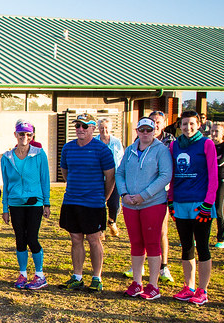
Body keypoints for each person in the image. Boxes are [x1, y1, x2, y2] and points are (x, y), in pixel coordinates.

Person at [115, 117, 173, 300]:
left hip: (152, 203)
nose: (146, 133)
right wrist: (124, 194)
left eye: (149, 130)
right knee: (136, 242)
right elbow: (120, 172)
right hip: (130, 204)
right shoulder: (131, 150)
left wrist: (144, 195)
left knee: (152, 242)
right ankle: (137, 282)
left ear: (155, 131)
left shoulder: (161, 150)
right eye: (142, 130)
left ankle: (153, 285)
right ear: (137, 131)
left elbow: (165, 176)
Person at [58, 113, 116, 291]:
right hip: (72, 201)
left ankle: (97, 277)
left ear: (93, 128)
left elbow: (110, 177)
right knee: (75, 239)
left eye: (84, 126)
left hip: (93, 203)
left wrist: (102, 198)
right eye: (77, 126)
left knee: (93, 239)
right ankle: (77, 276)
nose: (80, 129)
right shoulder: (68, 148)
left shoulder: (102, 149)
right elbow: (65, 172)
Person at [167, 110, 219, 305]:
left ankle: (202, 289)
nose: (187, 128)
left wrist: (208, 203)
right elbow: (171, 175)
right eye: (184, 124)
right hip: (180, 203)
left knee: (203, 247)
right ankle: (188, 286)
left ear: (198, 125)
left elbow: (214, 177)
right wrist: (170, 200)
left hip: (200, 204)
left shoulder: (206, 144)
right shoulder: (174, 145)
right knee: (186, 246)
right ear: (179, 126)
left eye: (191, 124)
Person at [0, 120, 51, 290]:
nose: (25, 137)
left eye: (28, 134)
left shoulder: (39, 154)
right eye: (21, 134)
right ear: (15, 135)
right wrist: (5, 208)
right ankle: (23, 273)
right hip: (15, 203)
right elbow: (5, 184)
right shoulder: (7, 157)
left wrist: (47, 203)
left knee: (32, 238)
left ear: (32, 136)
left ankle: (39, 274)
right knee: (20, 239)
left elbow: (45, 179)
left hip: (34, 203)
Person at [141, 109, 176, 283]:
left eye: (158, 122)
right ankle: (139, 264)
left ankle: (164, 266)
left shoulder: (170, 141)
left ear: (164, 123)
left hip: (162, 191)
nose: (154, 125)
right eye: (152, 121)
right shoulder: (141, 138)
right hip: (142, 193)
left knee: (161, 229)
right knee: (142, 230)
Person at [97, 117, 125, 237]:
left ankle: (112, 221)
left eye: (106, 128)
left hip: (114, 177)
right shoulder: (95, 142)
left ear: (111, 128)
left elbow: (121, 159)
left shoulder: (116, 142)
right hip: (98, 177)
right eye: (102, 128)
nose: (104, 131)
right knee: (99, 204)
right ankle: (101, 229)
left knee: (114, 204)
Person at [209, 122, 224, 249]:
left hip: (221, 180)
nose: (213, 134)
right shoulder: (209, 144)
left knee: (218, 209)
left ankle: (221, 238)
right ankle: (200, 236)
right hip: (209, 180)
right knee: (205, 209)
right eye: (212, 131)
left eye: (217, 131)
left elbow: (220, 161)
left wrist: (210, 161)